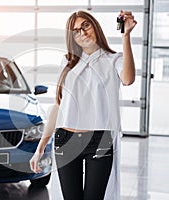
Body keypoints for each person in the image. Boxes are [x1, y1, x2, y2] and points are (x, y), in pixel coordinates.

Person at [30, 10, 137, 200]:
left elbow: (128, 79)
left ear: (94, 25)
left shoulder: (114, 60)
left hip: (100, 141)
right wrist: (40, 148)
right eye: (76, 31)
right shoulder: (67, 62)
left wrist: (126, 36)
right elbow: (58, 106)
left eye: (85, 25)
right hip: (66, 140)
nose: (83, 32)